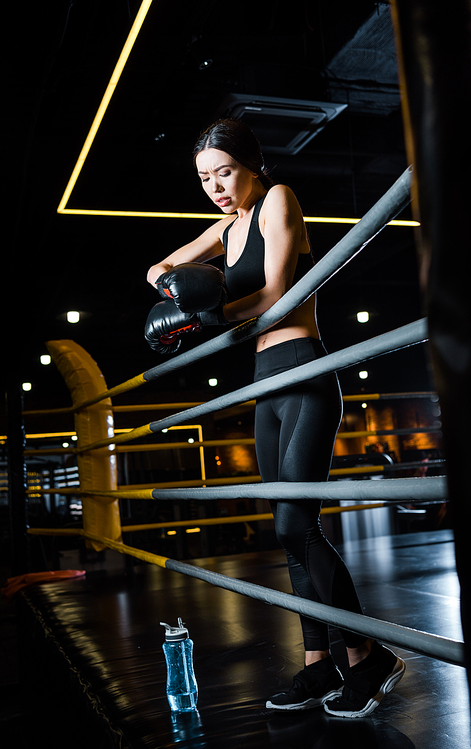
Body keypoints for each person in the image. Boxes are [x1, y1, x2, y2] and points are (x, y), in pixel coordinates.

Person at [146, 118, 405, 718]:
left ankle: (369, 656)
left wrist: (204, 318)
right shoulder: (227, 226)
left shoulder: (275, 202)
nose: (215, 185)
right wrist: (175, 296)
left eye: (225, 172)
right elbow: (158, 269)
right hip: (266, 384)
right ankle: (319, 667)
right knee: (287, 531)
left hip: (303, 370)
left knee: (297, 527)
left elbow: (274, 295)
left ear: (252, 165)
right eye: (205, 177)